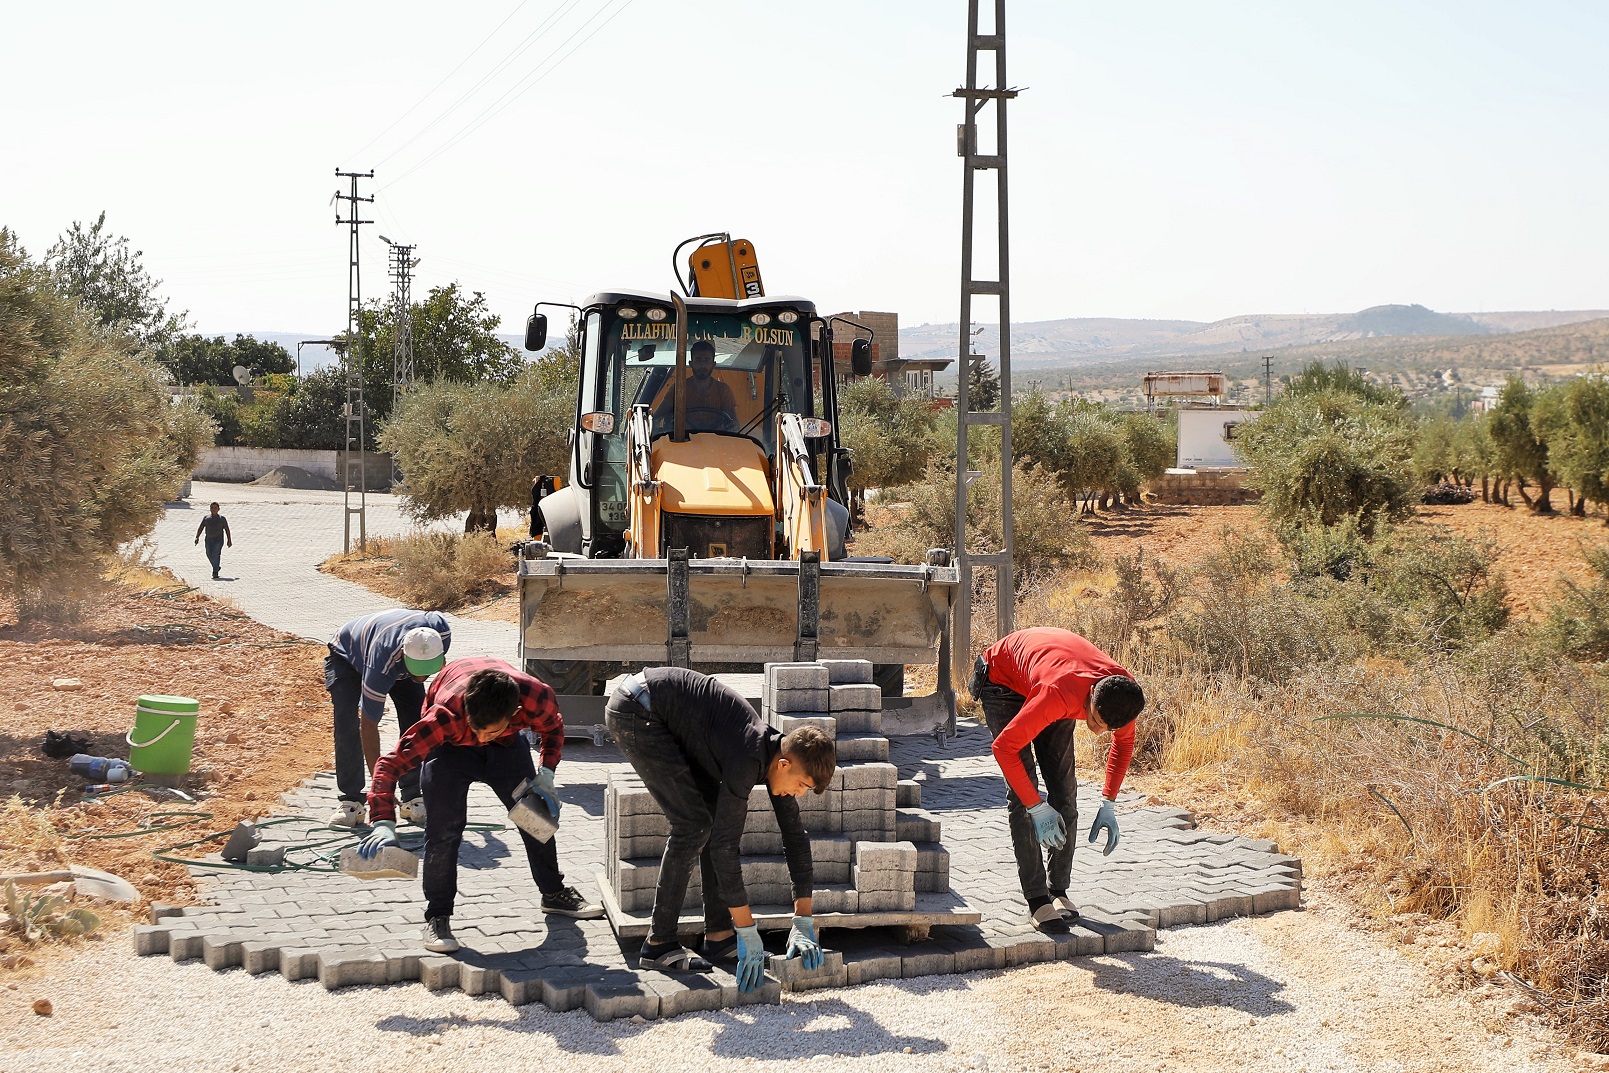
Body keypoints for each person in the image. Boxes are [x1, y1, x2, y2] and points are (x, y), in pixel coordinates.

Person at [604, 667, 835, 989]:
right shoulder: (747, 756)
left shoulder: (775, 758)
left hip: (669, 717)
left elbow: (795, 837)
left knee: (709, 821)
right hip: (638, 708)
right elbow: (724, 848)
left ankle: (719, 936)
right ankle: (659, 944)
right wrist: (748, 929)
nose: (798, 794)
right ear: (785, 764)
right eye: (801, 785)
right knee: (694, 825)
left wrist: (803, 919)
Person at [357, 657, 603, 953]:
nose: (481, 738)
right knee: (443, 833)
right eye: (478, 729)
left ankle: (553, 893)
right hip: (451, 751)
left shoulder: (537, 697)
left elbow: (552, 729)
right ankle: (438, 916)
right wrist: (383, 819)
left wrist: (547, 772)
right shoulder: (444, 717)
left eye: (490, 731)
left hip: (508, 747)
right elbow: (390, 764)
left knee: (535, 817)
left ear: (515, 713)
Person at [972, 627, 1146, 934]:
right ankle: (1037, 898)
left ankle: (1058, 890)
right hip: (1003, 682)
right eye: (1096, 720)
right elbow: (1004, 749)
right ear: (1091, 696)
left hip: (1052, 676)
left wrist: (1109, 802)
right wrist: (1036, 806)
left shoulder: (1124, 694)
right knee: (1022, 793)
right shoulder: (1058, 694)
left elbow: (1124, 745)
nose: (1097, 731)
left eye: (1107, 728)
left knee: (1065, 791)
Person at [325, 609, 451, 827]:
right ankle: (352, 800)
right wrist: (381, 787)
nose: (423, 677)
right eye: (418, 671)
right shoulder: (380, 665)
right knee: (347, 722)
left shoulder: (441, 633)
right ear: (404, 656)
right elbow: (369, 725)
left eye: (427, 671)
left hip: (396, 654)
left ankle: (412, 796)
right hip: (348, 656)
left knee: (417, 723)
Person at [653, 339, 738, 432]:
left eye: (707, 360)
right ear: (691, 363)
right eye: (698, 360)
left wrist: (731, 426)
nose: (702, 364)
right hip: (683, 442)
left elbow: (733, 423)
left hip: (717, 441)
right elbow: (656, 418)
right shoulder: (678, 389)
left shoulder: (723, 390)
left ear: (713, 364)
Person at [194, 502, 232, 580]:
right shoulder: (206, 518)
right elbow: (201, 527)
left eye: (215, 508)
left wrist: (229, 540)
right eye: (212, 508)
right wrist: (197, 537)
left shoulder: (222, 519)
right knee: (208, 554)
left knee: (216, 555)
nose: (213, 509)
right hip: (208, 539)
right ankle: (217, 566)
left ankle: (215, 572)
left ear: (218, 509)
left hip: (218, 540)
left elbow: (227, 529)